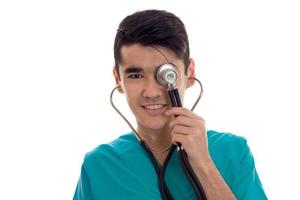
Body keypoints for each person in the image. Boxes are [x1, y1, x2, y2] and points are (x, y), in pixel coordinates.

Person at [73, 9, 267, 200]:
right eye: (135, 75)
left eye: (165, 74)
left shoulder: (233, 151)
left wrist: (203, 163)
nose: (151, 92)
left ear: (189, 73)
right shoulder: (99, 166)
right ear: (118, 79)